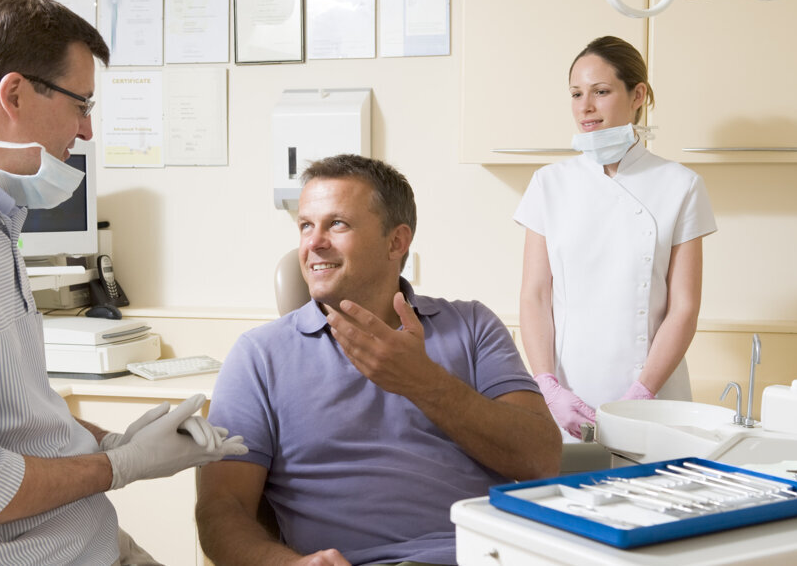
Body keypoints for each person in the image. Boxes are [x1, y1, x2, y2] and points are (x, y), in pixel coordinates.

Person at [0, 0, 245, 564]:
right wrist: (119, 467)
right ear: (14, 93)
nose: (88, 131)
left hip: (78, 540)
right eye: (82, 105)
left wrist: (114, 441)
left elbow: (18, 422)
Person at [196, 154, 562, 566]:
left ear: (396, 241)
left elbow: (541, 459)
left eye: (337, 223)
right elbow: (220, 509)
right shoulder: (258, 357)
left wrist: (423, 381)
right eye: (305, 225)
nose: (313, 242)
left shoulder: (472, 325)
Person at [515, 35, 718, 441]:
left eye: (601, 92)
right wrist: (547, 386)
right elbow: (535, 296)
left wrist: (642, 393)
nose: (585, 107)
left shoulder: (681, 185)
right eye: (576, 94)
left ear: (637, 94)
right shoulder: (549, 184)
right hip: (569, 397)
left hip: (655, 400)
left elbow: (683, 307)